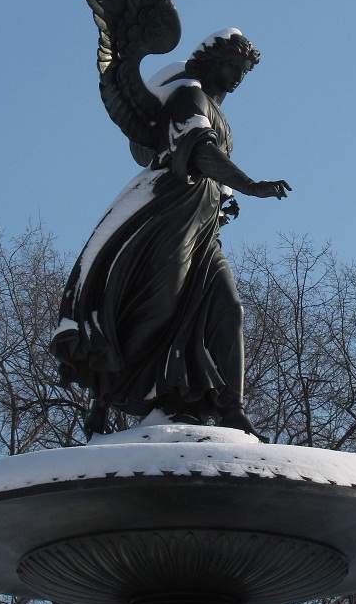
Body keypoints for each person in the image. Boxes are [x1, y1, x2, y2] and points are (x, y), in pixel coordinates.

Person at [49, 30, 290, 436]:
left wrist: (226, 196)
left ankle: (232, 410)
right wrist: (250, 184)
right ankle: (104, 396)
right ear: (212, 61)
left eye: (244, 72)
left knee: (228, 309)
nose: (237, 78)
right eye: (233, 66)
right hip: (169, 214)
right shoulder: (187, 97)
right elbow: (199, 150)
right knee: (157, 307)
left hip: (204, 228)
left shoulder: (217, 110)